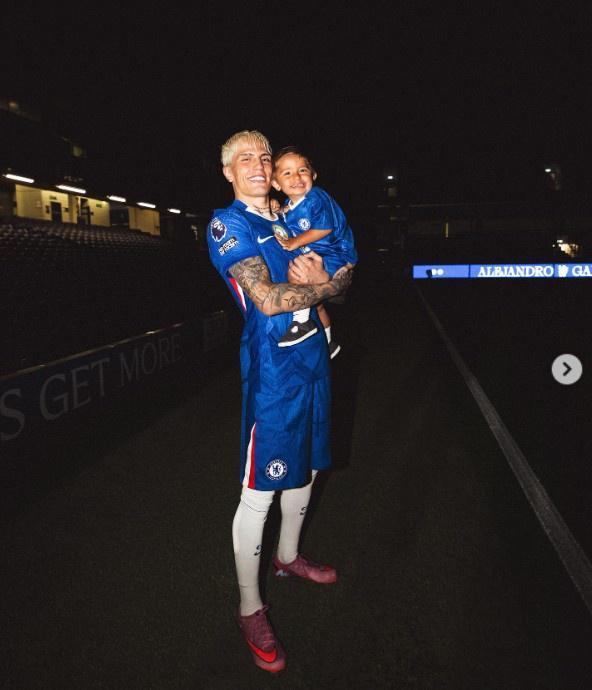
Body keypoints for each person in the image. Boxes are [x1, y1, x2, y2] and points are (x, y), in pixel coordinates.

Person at [206, 130, 353, 673]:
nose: (259, 164)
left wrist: (330, 284)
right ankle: (250, 608)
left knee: (309, 469)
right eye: (245, 158)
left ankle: (288, 557)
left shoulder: (292, 215)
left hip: (316, 360)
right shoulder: (229, 224)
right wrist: (327, 286)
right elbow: (267, 300)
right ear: (228, 172)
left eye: (265, 156)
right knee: (260, 491)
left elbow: (343, 279)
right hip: (273, 373)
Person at [270, 146, 358, 358]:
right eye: (287, 173)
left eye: (303, 170)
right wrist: (276, 208)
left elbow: (324, 228)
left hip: (336, 253)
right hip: (323, 255)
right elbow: (287, 216)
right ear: (276, 184)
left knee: (297, 274)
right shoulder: (289, 204)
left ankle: (301, 322)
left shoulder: (316, 197)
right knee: (316, 306)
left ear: (313, 175)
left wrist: (294, 242)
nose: (296, 177)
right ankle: (328, 343)